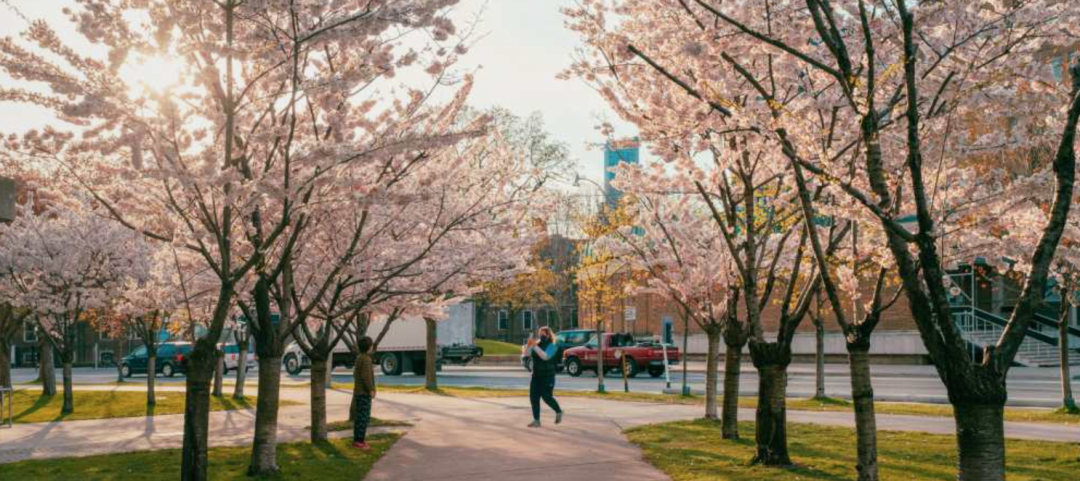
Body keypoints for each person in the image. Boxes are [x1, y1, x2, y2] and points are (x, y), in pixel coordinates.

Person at [525, 326, 563, 427]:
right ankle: (536, 420)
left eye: (543, 334)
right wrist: (529, 346)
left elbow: (545, 356)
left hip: (548, 376)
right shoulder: (537, 344)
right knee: (534, 398)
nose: (541, 336)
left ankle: (558, 411)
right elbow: (527, 354)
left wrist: (534, 346)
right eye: (540, 334)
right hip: (536, 376)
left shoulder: (552, 346)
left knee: (547, 397)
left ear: (548, 335)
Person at [352, 336, 376, 450]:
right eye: (371, 345)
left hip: (358, 392)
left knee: (359, 417)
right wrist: (371, 389)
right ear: (368, 347)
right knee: (363, 417)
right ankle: (360, 441)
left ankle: (357, 440)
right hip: (364, 393)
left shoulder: (359, 357)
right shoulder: (366, 359)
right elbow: (366, 377)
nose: (372, 347)